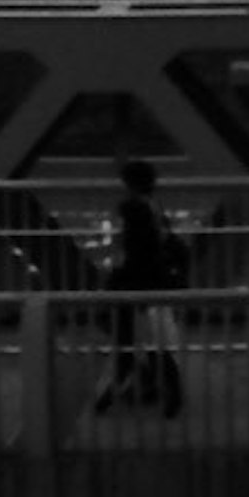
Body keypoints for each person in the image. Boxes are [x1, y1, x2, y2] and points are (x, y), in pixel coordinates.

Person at [93, 159, 187, 414]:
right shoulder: (154, 207)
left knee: (125, 335)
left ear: (127, 184)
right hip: (153, 281)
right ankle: (152, 386)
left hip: (133, 282)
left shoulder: (130, 209)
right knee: (147, 338)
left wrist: (112, 279)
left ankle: (129, 387)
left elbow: (131, 250)